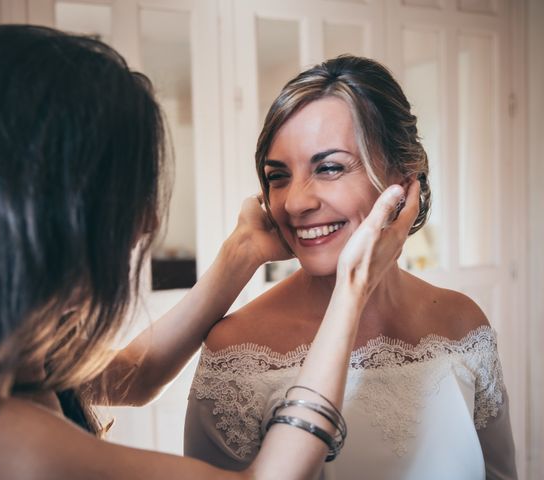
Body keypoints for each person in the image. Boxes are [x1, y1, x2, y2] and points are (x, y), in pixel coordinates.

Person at [0, 26, 418, 480]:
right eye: (127, 197)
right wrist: (352, 287)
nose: (146, 223)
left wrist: (242, 251)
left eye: (328, 167)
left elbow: (137, 373)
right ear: (53, 210)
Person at [184, 55, 517, 480]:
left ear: (403, 176)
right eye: (278, 176)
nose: (295, 202)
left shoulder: (462, 325)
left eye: (329, 167)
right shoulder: (236, 350)